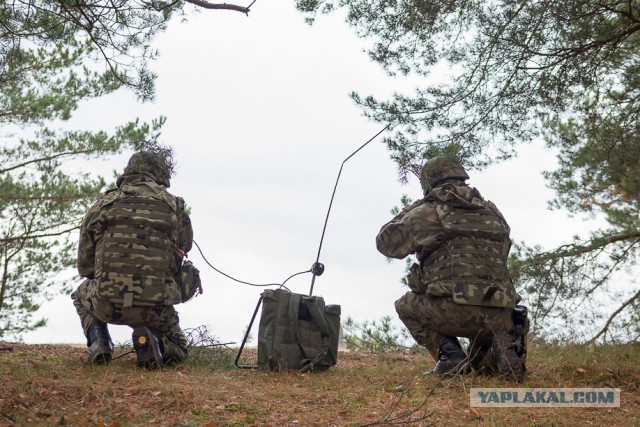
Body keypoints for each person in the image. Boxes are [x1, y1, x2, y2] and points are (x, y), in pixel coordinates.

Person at [376, 156, 526, 381]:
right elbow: (503, 253)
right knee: (485, 369)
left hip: (455, 311)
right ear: (462, 176)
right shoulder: (492, 211)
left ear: (429, 183)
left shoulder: (427, 212)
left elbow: (385, 243)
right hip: (499, 315)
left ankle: (451, 359)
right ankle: (506, 349)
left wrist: (416, 205)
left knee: (405, 305)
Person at [71, 149, 194, 369]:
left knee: (80, 294)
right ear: (158, 173)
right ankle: (153, 342)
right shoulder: (174, 206)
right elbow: (185, 248)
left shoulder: (102, 206)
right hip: (155, 307)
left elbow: (85, 266)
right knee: (179, 348)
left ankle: (100, 343)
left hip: (107, 304)